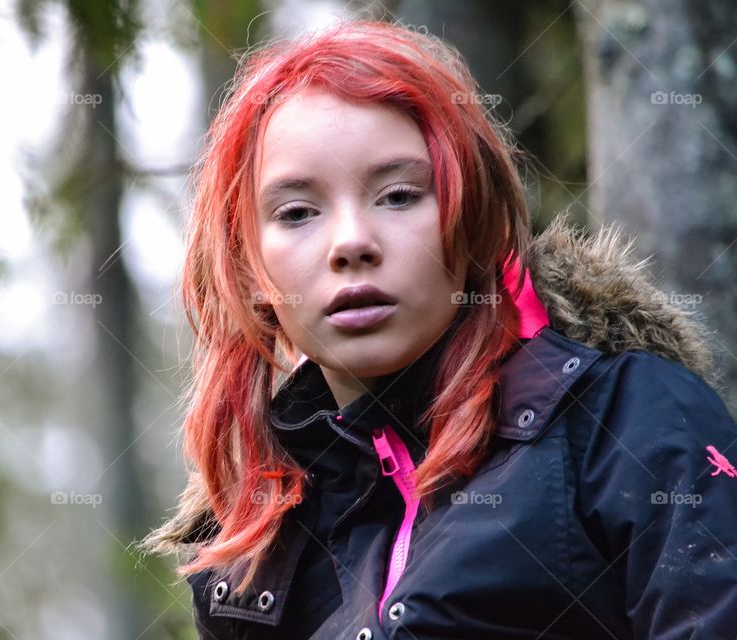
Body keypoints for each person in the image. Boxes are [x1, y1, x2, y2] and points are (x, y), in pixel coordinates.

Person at [138, 19, 737, 639]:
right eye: (297, 212)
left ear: (472, 221)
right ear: (250, 269)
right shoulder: (254, 545)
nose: (351, 243)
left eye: (398, 196)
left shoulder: (631, 422)